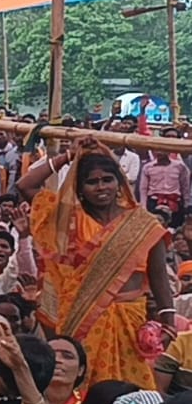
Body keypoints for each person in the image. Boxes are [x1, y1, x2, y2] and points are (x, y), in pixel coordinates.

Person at [18, 141, 175, 389]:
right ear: (79, 188)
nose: (101, 187)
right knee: (81, 383)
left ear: (119, 183)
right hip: (81, 316)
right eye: (92, 182)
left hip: (128, 321)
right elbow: (25, 185)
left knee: (130, 388)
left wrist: (168, 322)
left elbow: (159, 279)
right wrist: (69, 156)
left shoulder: (142, 225)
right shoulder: (68, 220)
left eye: (107, 179)